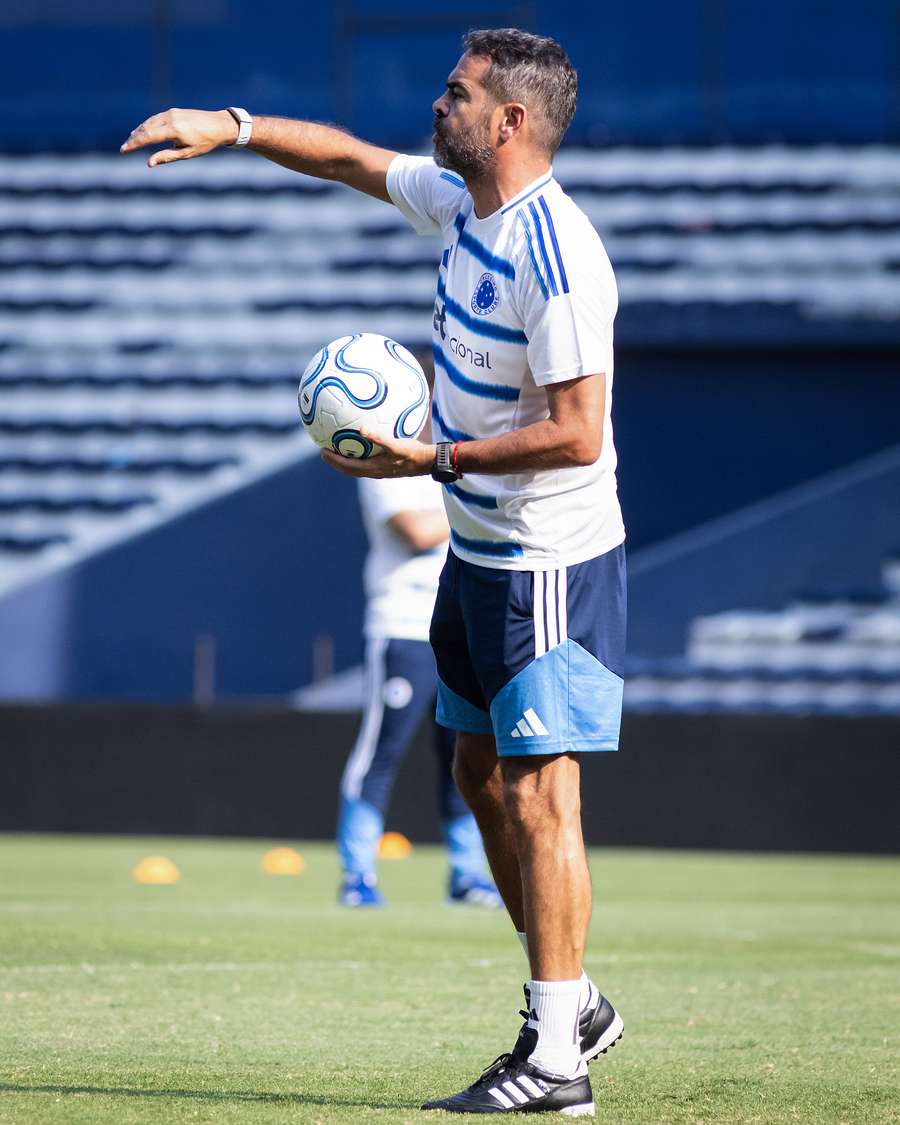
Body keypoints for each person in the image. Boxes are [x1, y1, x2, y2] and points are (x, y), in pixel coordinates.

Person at [122, 26, 625, 1117]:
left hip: (546, 556)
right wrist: (237, 127)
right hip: (477, 553)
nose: (435, 108)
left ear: (512, 122)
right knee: (479, 782)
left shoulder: (559, 253)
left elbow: (580, 433)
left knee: (543, 798)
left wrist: (429, 457)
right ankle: (573, 1002)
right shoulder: (459, 204)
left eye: (456, 94)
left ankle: (555, 1063)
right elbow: (349, 159)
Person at [339, 397, 501, 909]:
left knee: (463, 753)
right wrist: (476, 499)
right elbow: (415, 529)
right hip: (402, 628)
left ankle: (467, 874)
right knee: (380, 752)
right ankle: (357, 875)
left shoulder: (447, 458)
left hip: (456, 624)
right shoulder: (383, 462)